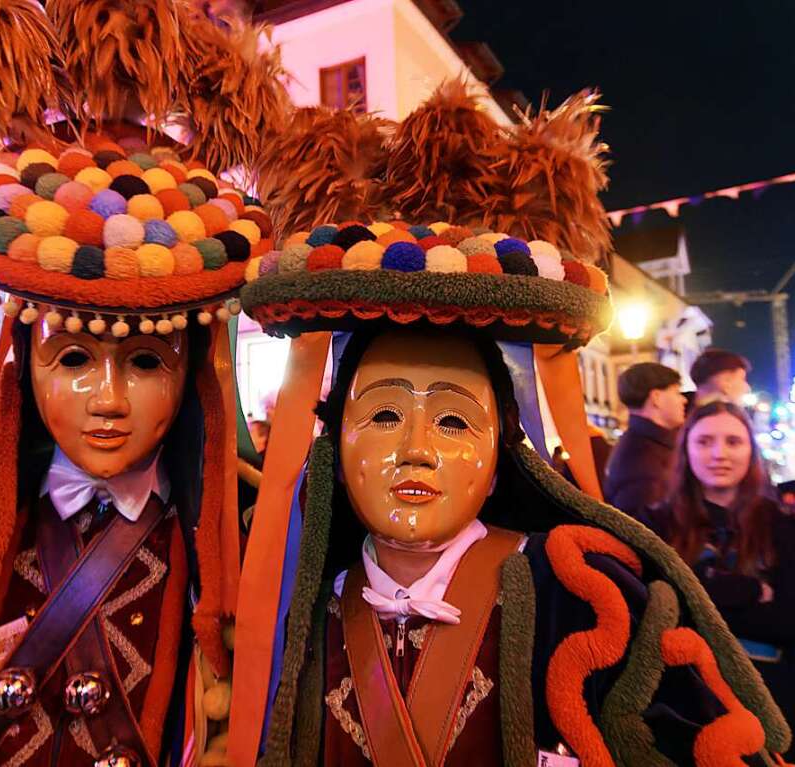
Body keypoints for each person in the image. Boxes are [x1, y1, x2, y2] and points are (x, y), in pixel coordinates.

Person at [227, 82, 790, 766]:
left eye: (455, 421)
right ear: (332, 437)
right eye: (380, 413)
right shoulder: (294, 607)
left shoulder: (583, 595)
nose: (415, 450)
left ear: (502, 448)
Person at [0, 2, 290, 765]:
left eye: (145, 361)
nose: (107, 400)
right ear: (19, 362)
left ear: (193, 369)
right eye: (70, 358)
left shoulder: (246, 547)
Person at [649, 400, 795, 757]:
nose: (719, 454)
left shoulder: (783, 526)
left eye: (733, 441)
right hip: (685, 702)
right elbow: (658, 617)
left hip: (773, 701)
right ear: (686, 449)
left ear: (750, 449)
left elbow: (788, 621)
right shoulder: (656, 525)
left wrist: (696, 593)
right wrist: (742, 590)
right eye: (704, 441)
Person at [604, 362, 687, 519]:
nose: (683, 400)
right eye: (677, 392)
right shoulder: (642, 461)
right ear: (656, 397)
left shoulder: (647, 444)